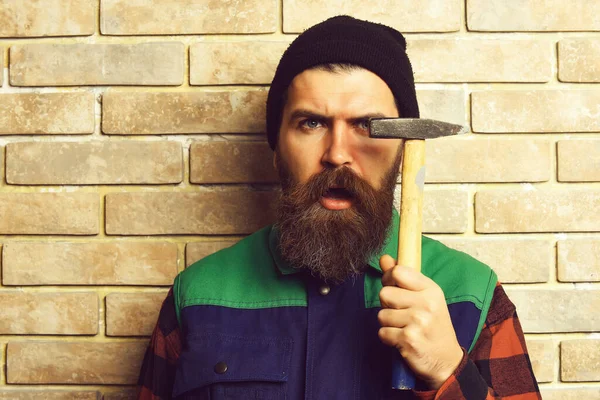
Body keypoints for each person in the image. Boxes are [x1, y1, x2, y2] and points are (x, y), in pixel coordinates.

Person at [137, 16, 540, 399]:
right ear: (275, 146)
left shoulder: (473, 295)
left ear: (403, 147)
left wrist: (447, 368)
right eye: (311, 123)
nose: (337, 154)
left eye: (367, 125)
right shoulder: (197, 298)